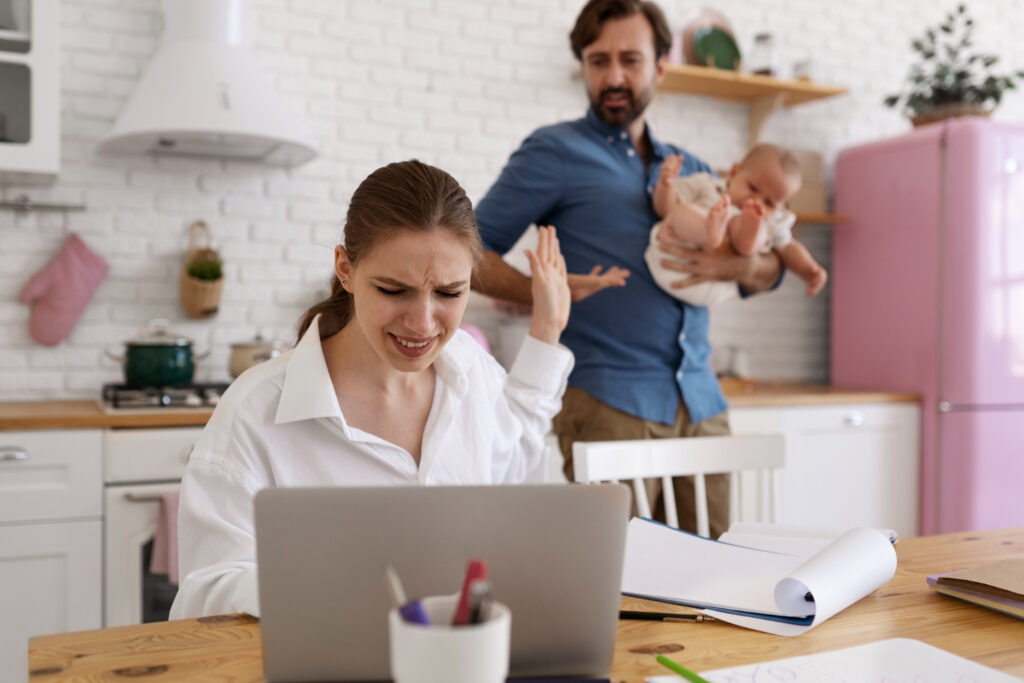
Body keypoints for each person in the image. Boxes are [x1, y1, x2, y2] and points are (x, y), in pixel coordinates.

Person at [169, 160, 573, 619]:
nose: (423, 323)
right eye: (393, 290)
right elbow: (204, 597)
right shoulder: (256, 410)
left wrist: (547, 333)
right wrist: (336, 587)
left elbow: (514, 455)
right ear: (345, 269)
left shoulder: (471, 370)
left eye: (449, 293)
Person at [471, 0, 783, 537]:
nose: (613, 76)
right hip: (609, 404)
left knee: (715, 584)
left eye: (630, 60)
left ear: (661, 66)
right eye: (598, 61)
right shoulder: (554, 150)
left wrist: (731, 263)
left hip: (703, 404)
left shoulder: (696, 170)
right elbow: (467, 252)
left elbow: (774, 268)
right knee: (625, 588)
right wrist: (543, 294)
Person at [646, 144, 828, 306]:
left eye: (770, 203)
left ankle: (746, 233)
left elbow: (788, 248)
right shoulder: (706, 185)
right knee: (679, 212)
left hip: (713, 286)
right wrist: (666, 186)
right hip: (670, 262)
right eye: (753, 188)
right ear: (733, 173)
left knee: (762, 232)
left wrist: (808, 269)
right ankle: (708, 229)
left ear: (782, 207)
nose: (756, 201)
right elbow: (664, 210)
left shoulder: (773, 221)